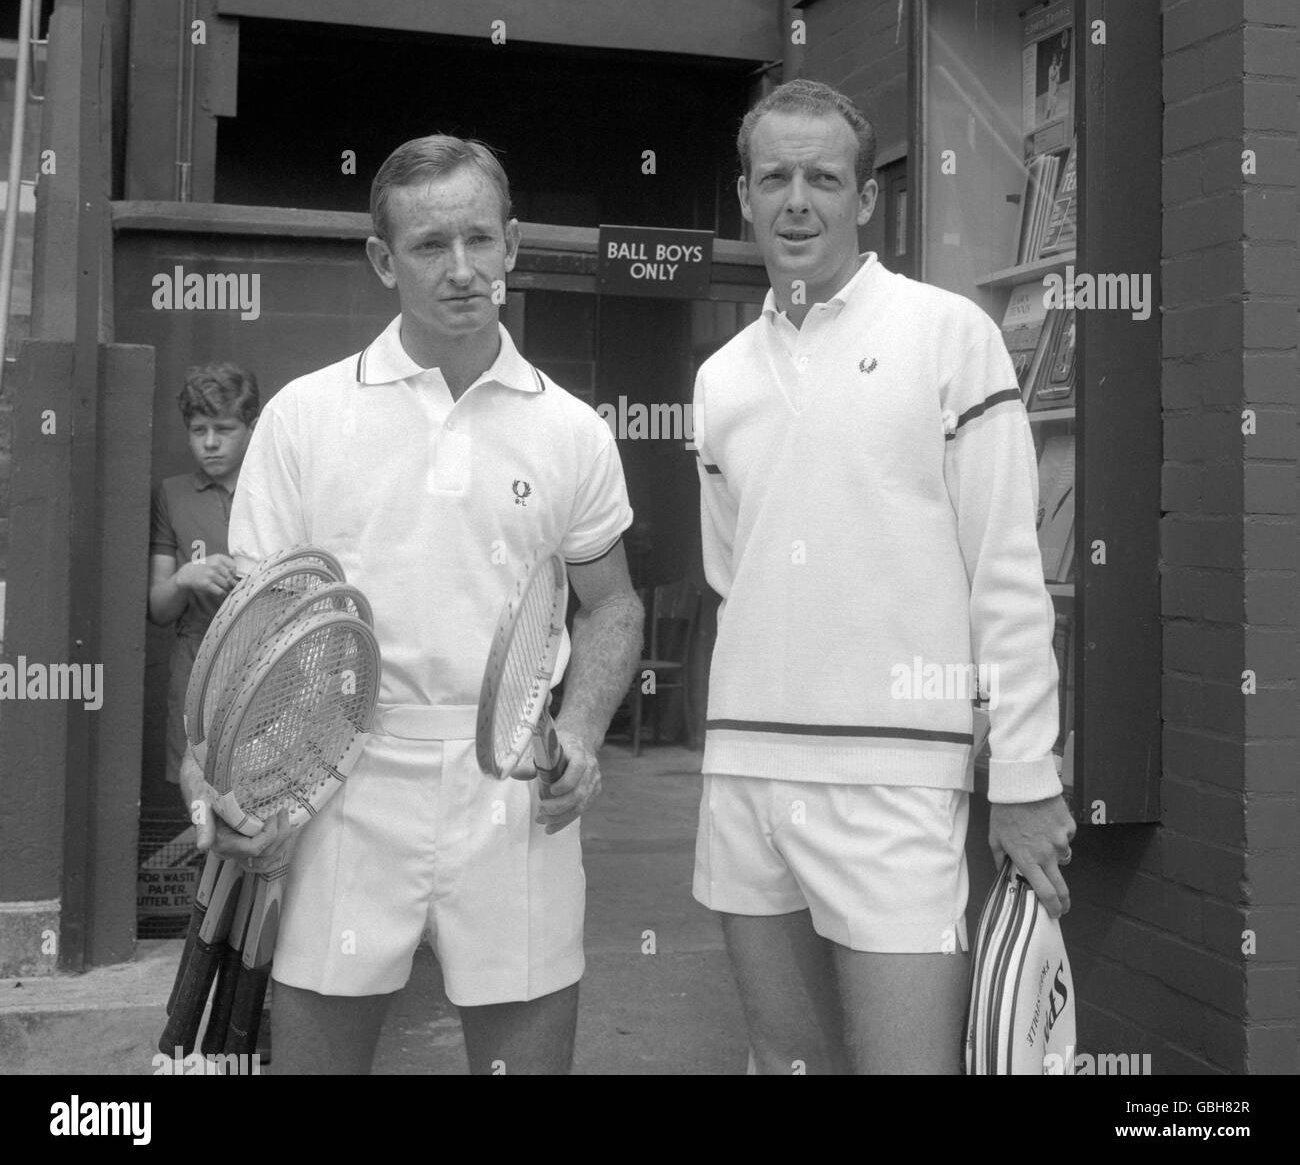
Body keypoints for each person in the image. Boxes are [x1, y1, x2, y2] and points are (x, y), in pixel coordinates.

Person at [181, 135, 644, 1075]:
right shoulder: (306, 417)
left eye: (482, 239)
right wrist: (222, 786)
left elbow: (613, 606)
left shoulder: (570, 431)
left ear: (514, 245)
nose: (463, 269)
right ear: (383, 262)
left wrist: (583, 734)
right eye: (431, 246)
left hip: (514, 789)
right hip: (339, 780)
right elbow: (254, 637)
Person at [691, 79, 1076, 1075]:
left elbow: (1006, 571)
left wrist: (1026, 774)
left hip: (897, 781)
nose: (796, 200)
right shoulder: (721, 376)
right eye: (773, 176)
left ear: (866, 200)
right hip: (745, 774)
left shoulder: (949, 336)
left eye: (824, 177)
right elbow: (735, 576)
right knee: (784, 1063)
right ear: (744, 195)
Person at [148, 363, 260, 797]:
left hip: (265, 661)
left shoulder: (273, 486)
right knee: (199, 800)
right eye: (198, 430)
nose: (210, 443)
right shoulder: (172, 494)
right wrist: (183, 578)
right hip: (195, 660)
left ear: (252, 427)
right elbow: (158, 609)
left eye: (224, 429)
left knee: (261, 798)